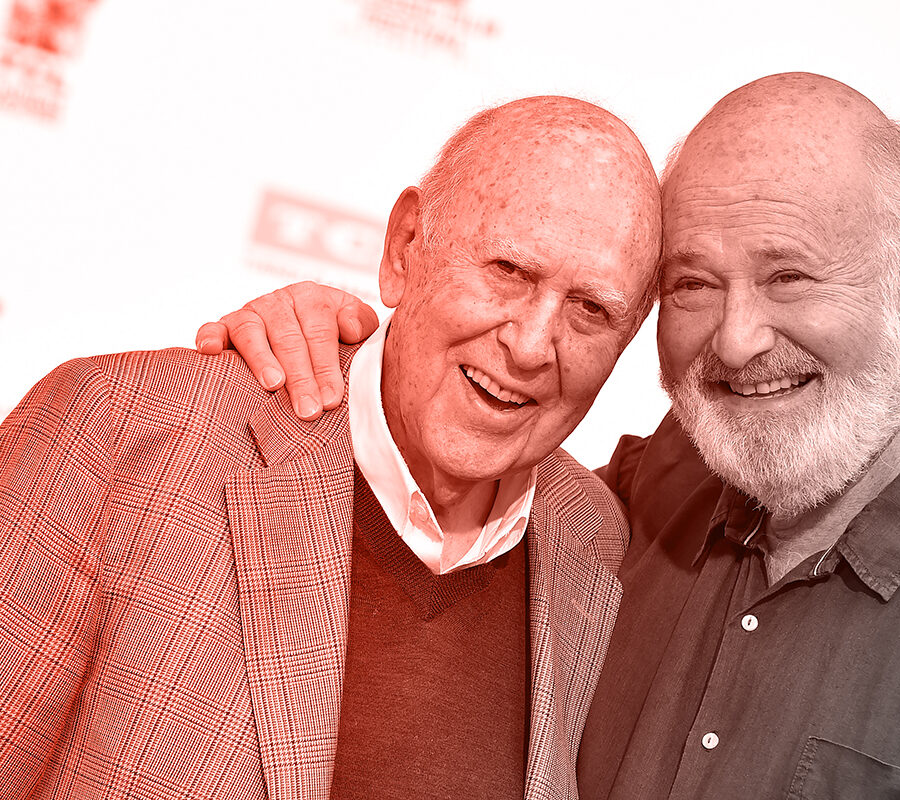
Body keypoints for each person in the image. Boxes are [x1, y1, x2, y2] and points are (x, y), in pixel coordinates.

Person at [201, 73, 900, 798]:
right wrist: (342, 362)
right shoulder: (665, 476)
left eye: (790, 275)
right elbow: (444, 527)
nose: (737, 337)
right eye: (691, 284)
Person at [0, 96, 662, 800]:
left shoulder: (594, 542)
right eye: (508, 270)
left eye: (591, 309)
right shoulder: (122, 432)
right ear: (405, 247)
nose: (532, 345)